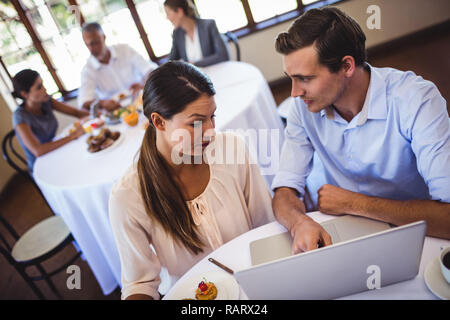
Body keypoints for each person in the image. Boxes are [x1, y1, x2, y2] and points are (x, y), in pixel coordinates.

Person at [271, 7, 450, 254]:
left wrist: (355, 203)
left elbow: (448, 218)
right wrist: (298, 222)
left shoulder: (417, 100)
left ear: (346, 66)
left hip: (419, 233)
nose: (294, 92)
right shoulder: (302, 108)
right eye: (290, 78)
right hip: (347, 234)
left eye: (306, 78)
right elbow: (284, 191)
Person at [109, 61, 274, 300]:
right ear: (159, 122)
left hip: (257, 283)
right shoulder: (127, 196)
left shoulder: (232, 149)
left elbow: (264, 223)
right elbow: (140, 283)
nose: (211, 132)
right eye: (196, 122)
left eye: (212, 117)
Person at [12, 69, 89, 172]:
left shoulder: (46, 100)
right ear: (25, 94)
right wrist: (73, 135)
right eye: (39, 87)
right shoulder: (20, 116)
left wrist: (100, 113)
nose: (45, 89)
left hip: (56, 152)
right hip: (42, 166)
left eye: (42, 84)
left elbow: (77, 113)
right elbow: (38, 151)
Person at [78, 22, 158, 111]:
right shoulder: (88, 70)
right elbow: (84, 103)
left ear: (104, 37)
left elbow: (151, 70)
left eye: (95, 43)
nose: (91, 49)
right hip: (117, 114)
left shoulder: (124, 50)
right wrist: (102, 103)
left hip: (144, 102)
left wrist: (144, 84)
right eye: (87, 45)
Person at [164, 0, 230, 67]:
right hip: (194, 77)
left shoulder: (208, 25)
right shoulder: (177, 34)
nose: (167, 18)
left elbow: (223, 55)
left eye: (168, 13)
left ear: (180, 12)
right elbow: (171, 61)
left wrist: (194, 64)